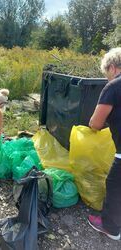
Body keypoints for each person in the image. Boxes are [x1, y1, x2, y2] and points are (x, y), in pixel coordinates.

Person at [88, 47, 121, 240]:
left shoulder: (114, 86)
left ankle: (111, 227)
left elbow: (95, 123)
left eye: (107, 73)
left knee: (114, 183)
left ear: (112, 67)